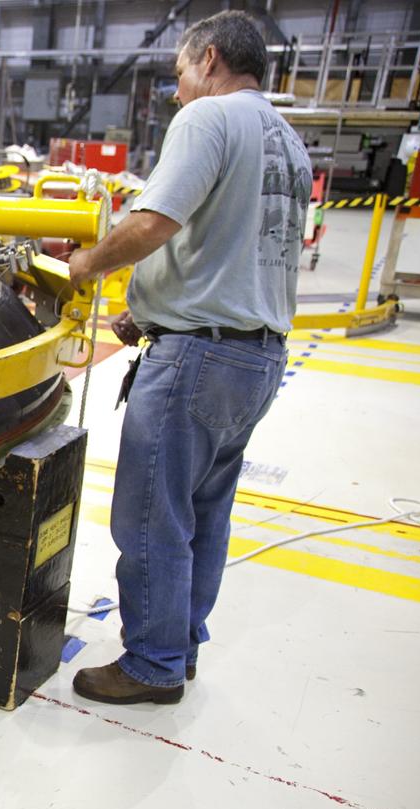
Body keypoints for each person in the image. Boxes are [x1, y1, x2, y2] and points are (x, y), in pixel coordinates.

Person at [67, 11, 311, 706]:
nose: (177, 94)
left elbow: (150, 224)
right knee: (205, 512)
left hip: (198, 359)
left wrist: (83, 265)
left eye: (178, 77)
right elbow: (228, 250)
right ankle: (183, 643)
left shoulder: (207, 120)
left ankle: (152, 663)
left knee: (151, 514)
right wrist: (147, 310)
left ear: (207, 59)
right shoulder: (287, 140)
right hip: (256, 359)